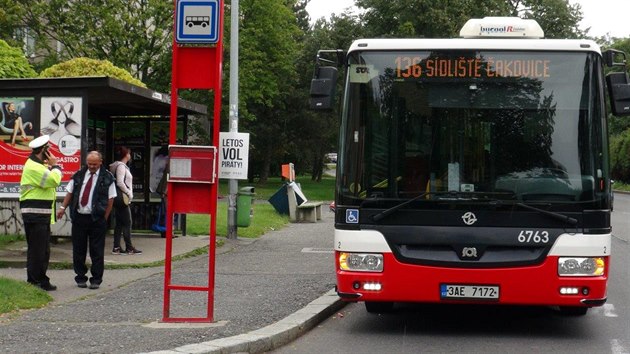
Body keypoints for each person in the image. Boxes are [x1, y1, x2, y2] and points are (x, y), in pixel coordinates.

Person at [56, 151, 116, 290]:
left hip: (97, 218)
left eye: (94, 164)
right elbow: (70, 192)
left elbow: (111, 199)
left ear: (100, 162)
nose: (92, 166)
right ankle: (80, 277)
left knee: (97, 251)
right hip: (79, 217)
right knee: (78, 249)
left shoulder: (107, 177)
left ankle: (96, 279)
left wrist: (104, 218)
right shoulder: (78, 175)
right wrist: (62, 207)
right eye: (89, 164)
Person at [19, 135, 62, 291]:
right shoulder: (35, 167)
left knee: (40, 250)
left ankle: (37, 279)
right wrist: (56, 166)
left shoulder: (37, 165)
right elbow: (54, 181)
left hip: (39, 214)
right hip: (35, 215)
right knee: (39, 250)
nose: (50, 153)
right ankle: (38, 281)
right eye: (48, 150)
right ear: (44, 150)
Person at [108, 146, 141, 255]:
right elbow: (120, 182)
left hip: (118, 197)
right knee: (127, 222)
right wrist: (128, 192)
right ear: (126, 154)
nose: (130, 155)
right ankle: (129, 247)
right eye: (129, 153)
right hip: (122, 198)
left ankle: (116, 247)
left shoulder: (117, 165)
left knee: (119, 223)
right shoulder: (121, 167)